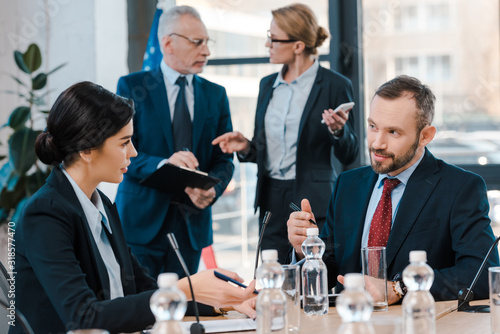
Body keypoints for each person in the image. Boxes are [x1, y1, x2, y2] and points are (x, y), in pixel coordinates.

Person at [13, 82, 256, 334]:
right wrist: (183, 288)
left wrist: (230, 301)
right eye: (124, 142)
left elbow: (143, 290)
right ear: (87, 149)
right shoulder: (45, 213)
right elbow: (83, 317)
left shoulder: (101, 204)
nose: (134, 152)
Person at [287, 75, 500, 303]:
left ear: (425, 136)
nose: (377, 143)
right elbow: (332, 269)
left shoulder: (460, 188)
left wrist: (400, 288)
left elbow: (482, 274)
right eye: (372, 127)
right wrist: (306, 250)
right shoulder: (347, 185)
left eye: (393, 132)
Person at [212, 3, 359, 263]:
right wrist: (245, 146)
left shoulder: (335, 85)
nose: (267, 44)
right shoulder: (267, 85)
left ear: (298, 45)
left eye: (273, 38)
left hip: (311, 201)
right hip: (270, 198)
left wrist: (338, 130)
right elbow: (262, 149)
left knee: (312, 273)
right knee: (271, 274)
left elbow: (350, 153)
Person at [115, 5, 234, 278]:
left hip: (190, 227)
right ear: (168, 43)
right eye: (197, 42)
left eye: (207, 42)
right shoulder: (132, 87)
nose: (206, 51)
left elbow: (224, 160)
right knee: (139, 311)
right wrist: (162, 164)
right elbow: (119, 150)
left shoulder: (216, 94)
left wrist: (214, 190)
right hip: (140, 223)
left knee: (182, 311)